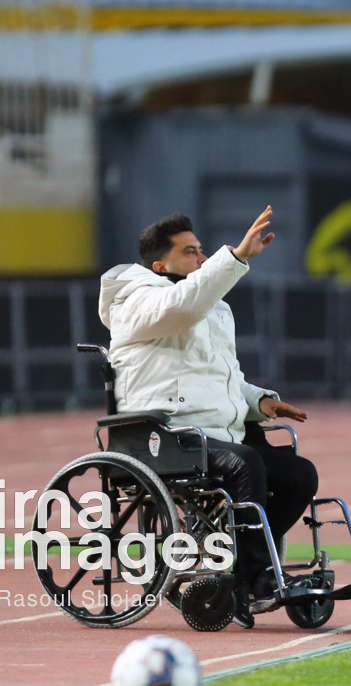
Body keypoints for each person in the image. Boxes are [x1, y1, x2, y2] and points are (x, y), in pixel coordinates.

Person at [98, 209, 318, 628]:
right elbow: (181, 306)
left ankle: (248, 570)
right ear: (160, 265)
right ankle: (257, 576)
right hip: (164, 433)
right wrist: (236, 257)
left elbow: (223, 377)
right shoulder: (136, 299)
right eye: (190, 251)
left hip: (215, 433)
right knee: (245, 462)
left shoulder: (213, 309)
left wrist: (260, 402)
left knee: (299, 474)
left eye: (201, 250)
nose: (201, 257)